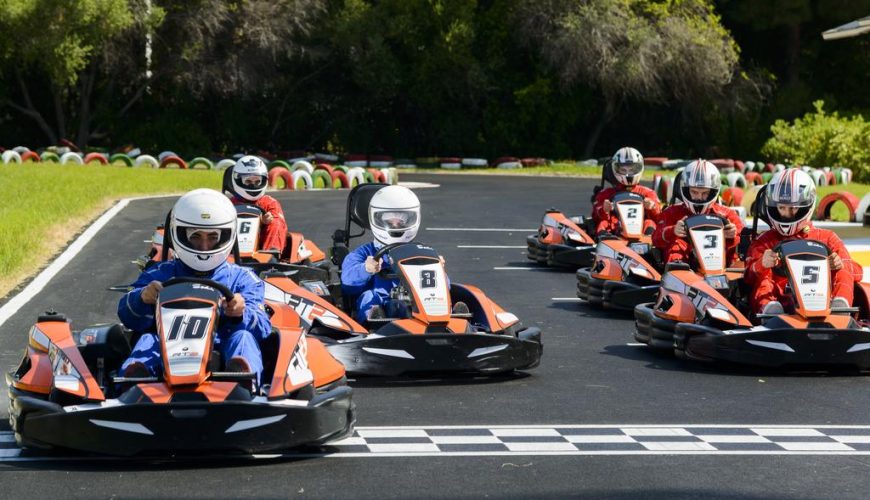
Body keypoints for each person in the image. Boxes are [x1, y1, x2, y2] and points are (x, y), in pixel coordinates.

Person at [119, 189, 272, 389]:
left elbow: (264, 327)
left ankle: (242, 379)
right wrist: (142, 297)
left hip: (220, 345)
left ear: (227, 235)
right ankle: (134, 382)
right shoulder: (160, 273)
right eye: (195, 237)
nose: (204, 245)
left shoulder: (243, 278)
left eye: (213, 237)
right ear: (179, 234)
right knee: (148, 338)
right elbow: (125, 314)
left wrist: (242, 313)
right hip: (168, 349)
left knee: (243, 336)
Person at [744, 168, 863, 315]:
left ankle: (840, 307)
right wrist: (760, 264)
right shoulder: (765, 241)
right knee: (764, 274)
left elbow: (858, 272)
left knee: (844, 268)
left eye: (793, 208)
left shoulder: (827, 237)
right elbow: (747, 278)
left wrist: (839, 263)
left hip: (824, 301)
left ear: (806, 206)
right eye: (782, 208)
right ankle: (769, 310)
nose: (787, 214)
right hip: (781, 304)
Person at [652, 159, 744, 265]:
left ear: (713, 192)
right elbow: (655, 239)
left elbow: (746, 242)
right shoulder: (671, 212)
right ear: (686, 190)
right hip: (686, 270)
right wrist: (672, 231)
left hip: (721, 268)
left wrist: (734, 234)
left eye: (705, 193)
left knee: (736, 250)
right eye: (694, 192)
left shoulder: (728, 214)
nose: (699, 197)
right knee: (676, 244)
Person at [224, 155, 288, 253]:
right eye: (248, 181)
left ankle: (271, 254)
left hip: (262, 245)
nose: (253, 185)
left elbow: (278, 222)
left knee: (276, 222)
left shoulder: (270, 203)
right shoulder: (229, 204)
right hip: (233, 248)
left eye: (257, 181)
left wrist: (265, 220)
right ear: (237, 179)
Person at [591, 147, 661, 236]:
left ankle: (649, 244)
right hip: (616, 230)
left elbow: (661, 218)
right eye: (623, 170)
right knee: (603, 223)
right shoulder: (606, 194)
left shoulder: (648, 193)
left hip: (640, 231)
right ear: (615, 169)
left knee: (650, 223)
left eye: (631, 170)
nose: (627, 173)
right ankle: (605, 244)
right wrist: (604, 210)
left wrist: (653, 207)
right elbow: (595, 217)